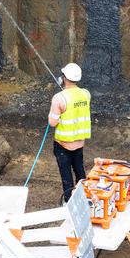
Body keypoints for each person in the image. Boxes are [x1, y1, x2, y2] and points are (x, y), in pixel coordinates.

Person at [48, 63, 91, 202]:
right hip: (79, 142)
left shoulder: (59, 98)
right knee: (79, 170)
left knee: (66, 174)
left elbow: (52, 123)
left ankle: (68, 201)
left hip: (63, 144)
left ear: (64, 78)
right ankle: (83, 198)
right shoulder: (86, 94)